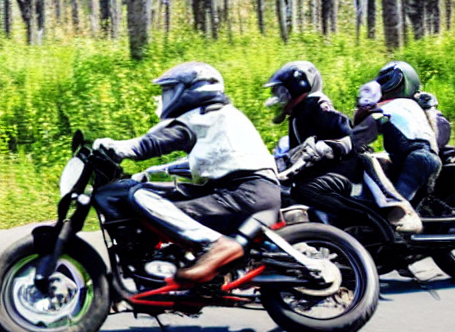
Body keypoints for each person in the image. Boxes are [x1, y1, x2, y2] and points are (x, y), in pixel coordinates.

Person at [93, 61, 281, 283]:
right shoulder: (217, 118)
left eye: (169, 90)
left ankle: (216, 246)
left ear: (192, 90)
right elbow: (193, 167)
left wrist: (116, 147)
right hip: (249, 191)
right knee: (148, 190)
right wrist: (144, 176)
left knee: (142, 196)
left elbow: (154, 143)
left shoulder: (203, 116)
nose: (165, 96)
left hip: (243, 193)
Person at [264, 60, 422, 233]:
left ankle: (372, 221)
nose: (280, 98)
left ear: (299, 85)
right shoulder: (298, 114)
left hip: (343, 170)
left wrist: (329, 148)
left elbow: (347, 134)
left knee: (307, 191)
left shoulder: (316, 106)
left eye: (282, 92)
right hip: (325, 170)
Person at [355, 61, 443, 204]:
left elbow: (361, 134)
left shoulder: (386, 108)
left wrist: (342, 144)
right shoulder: (416, 106)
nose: (384, 87)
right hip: (420, 159)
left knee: (396, 208)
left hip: (415, 160)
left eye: (388, 81)